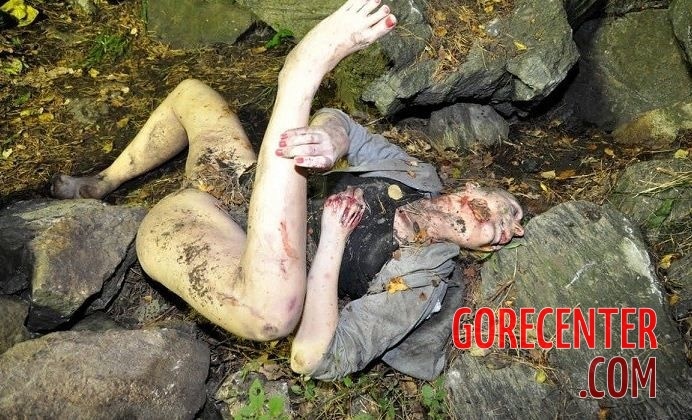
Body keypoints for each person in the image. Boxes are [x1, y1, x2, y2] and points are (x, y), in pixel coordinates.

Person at [51, 0, 524, 380]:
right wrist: (330, 140)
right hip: (239, 180)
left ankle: (299, 76)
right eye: (507, 208)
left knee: (272, 312)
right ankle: (106, 180)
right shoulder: (416, 174)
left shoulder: (423, 279)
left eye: (505, 231)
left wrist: (332, 244)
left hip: (208, 241)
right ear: (472, 186)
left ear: (481, 248)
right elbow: (343, 125)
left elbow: (312, 356)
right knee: (192, 93)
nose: (507, 225)